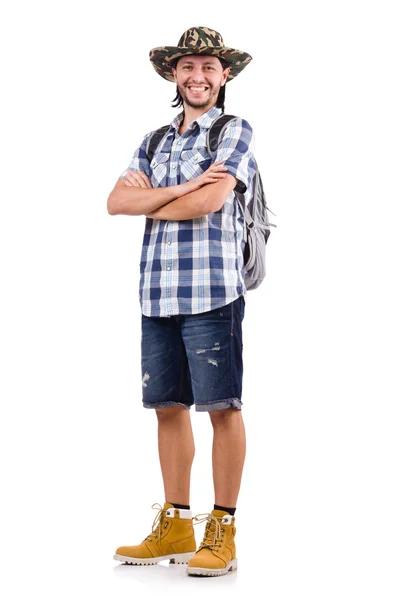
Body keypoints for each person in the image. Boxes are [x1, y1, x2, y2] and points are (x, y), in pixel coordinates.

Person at [108, 26, 255, 577]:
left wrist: (150, 200)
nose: (198, 77)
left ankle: (223, 529)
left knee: (222, 407)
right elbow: (115, 201)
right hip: (157, 293)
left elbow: (213, 201)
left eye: (209, 68)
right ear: (174, 74)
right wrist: (173, 193)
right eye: (188, 67)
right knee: (167, 407)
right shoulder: (154, 141)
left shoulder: (233, 131)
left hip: (213, 292)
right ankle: (175, 522)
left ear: (225, 76)